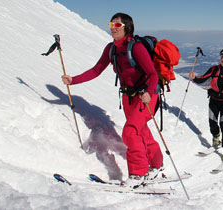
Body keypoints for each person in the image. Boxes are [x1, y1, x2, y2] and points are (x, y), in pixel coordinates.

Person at [61, 13, 163, 188]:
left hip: (146, 95)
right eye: (111, 24)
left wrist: (148, 92)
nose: (113, 27)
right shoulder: (111, 48)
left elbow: (153, 74)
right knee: (141, 131)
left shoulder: (137, 48)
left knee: (130, 132)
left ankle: (138, 174)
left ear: (127, 27)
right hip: (128, 96)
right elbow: (96, 70)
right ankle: (157, 165)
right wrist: (73, 80)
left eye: (117, 24)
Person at [189, 49, 223, 161]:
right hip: (214, 100)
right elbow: (202, 79)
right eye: (222, 57)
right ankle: (215, 136)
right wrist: (194, 78)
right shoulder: (214, 69)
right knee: (212, 122)